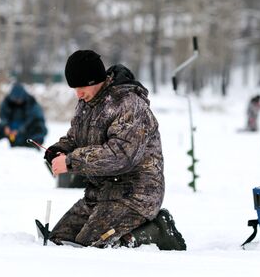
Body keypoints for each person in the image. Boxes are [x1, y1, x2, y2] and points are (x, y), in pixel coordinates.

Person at [43, 50, 186, 250]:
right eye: (74, 88)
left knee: (89, 245)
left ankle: (157, 232)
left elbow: (121, 156)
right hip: (99, 194)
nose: (78, 94)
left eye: (82, 86)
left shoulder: (129, 104)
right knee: (58, 240)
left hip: (135, 195)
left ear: (95, 80)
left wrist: (71, 162)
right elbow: (75, 137)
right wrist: (59, 150)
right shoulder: (87, 103)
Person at [0, 83, 47, 148]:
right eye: (15, 99)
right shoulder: (7, 101)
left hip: (26, 131)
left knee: (39, 127)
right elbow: (3, 116)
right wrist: (5, 126)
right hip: (10, 131)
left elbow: (34, 119)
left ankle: (34, 146)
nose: (17, 101)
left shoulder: (32, 103)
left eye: (19, 99)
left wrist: (20, 130)